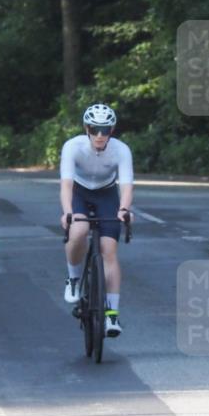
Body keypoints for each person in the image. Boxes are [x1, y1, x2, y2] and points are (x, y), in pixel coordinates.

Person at [60, 104, 134, 337]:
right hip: (79, 193)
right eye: (94, 129)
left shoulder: (121, 150)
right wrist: (67, 211)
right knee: (79, 230)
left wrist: (123, 209)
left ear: (111, 130)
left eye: (105, 130)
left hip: (106, 194)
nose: (100, 135)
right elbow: (66, 186)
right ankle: (73, 278)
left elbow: (126, 185)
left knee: (109, 249)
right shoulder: (73, 146)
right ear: (87, 129)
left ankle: (112, 316)